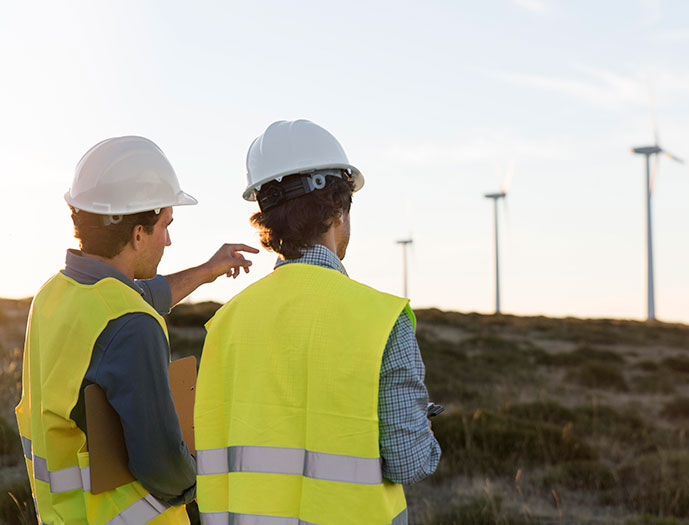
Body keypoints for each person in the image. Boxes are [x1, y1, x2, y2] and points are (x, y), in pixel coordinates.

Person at [194, 120, 441, 524]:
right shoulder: (381, 321)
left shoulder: (225, 324)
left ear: (267, 220)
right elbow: (409, 463)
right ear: (338, 210)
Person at [15, 136, 258, 524]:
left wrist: (206, 271)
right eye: (165, 225)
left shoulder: (55, 294)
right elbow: (163, 467)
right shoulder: (133, 326)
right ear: (139, 233)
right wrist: (202, 477)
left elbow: (143, 294)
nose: (169, 239)